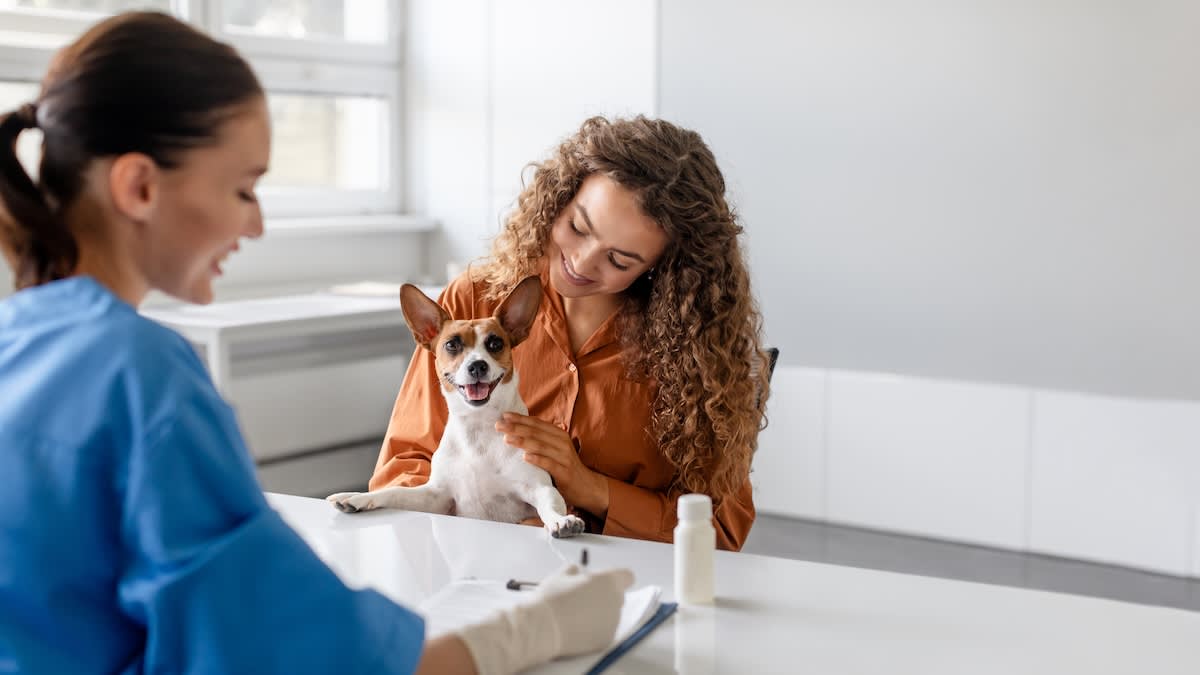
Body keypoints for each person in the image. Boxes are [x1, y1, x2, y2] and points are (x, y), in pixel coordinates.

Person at [0, 12, 631, 675]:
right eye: (244, 188)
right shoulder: (142, 376)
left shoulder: (20, 339)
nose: (259, 221)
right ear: (139, 187)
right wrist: (535, 631)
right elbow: (302, 652)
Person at [369, 116, 770, 551]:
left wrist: (589, 488)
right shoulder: (472, 304)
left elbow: (719, 531)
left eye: (619, 260)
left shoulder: (693, 353)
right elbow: (402, 467)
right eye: (578, 227)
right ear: (560, 196)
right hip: (469, 580)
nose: (580, 262)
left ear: (664, 265)